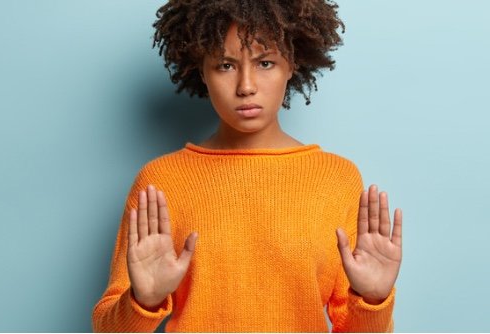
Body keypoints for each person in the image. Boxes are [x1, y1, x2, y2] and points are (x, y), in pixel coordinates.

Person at [92, 0, 403, 332]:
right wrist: (144, 301)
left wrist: (372, 300)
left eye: (265, 63)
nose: (246, 86)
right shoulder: (161, 182)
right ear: (202, 71)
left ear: (291, 65)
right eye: (225, 65)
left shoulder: (336, 180)